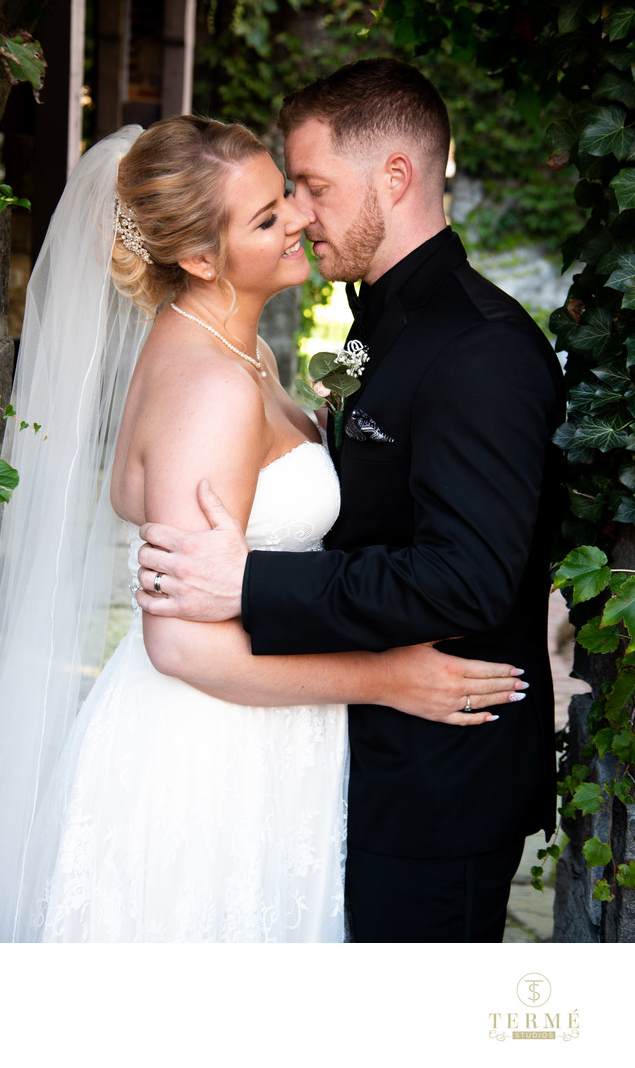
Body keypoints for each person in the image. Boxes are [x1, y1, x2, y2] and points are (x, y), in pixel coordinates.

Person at [0, 115, 522, 943]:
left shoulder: (235, 350)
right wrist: (387, 679)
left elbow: (133, 489)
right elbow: (181, 646)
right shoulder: (213, 386)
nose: (298, 216)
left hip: (255, 722)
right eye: (268, 215)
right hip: (210, 745)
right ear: (198, 258)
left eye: (290, 194)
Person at [136, 60, 567, 943]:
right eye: (287, 191)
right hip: (358, 760)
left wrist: (249, 586)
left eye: (313, 185)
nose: (298, 210)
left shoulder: (480, 350)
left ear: (396, 178)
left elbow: (469, 581)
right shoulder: (380, 320)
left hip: (438, 785)